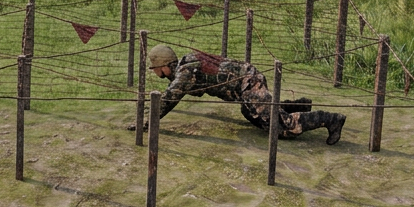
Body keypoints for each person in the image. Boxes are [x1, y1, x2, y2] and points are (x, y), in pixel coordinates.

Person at [144, 44, 346, 144]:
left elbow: (167, 99)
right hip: (246, 82)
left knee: (282, 128)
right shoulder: (186, 64)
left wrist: (146, 122)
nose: (154, 72)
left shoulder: (184, 73)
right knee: (251, 114)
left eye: (155, 68)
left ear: (163, 66)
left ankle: (331, 119)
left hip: (248, 83)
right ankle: (298, 106)